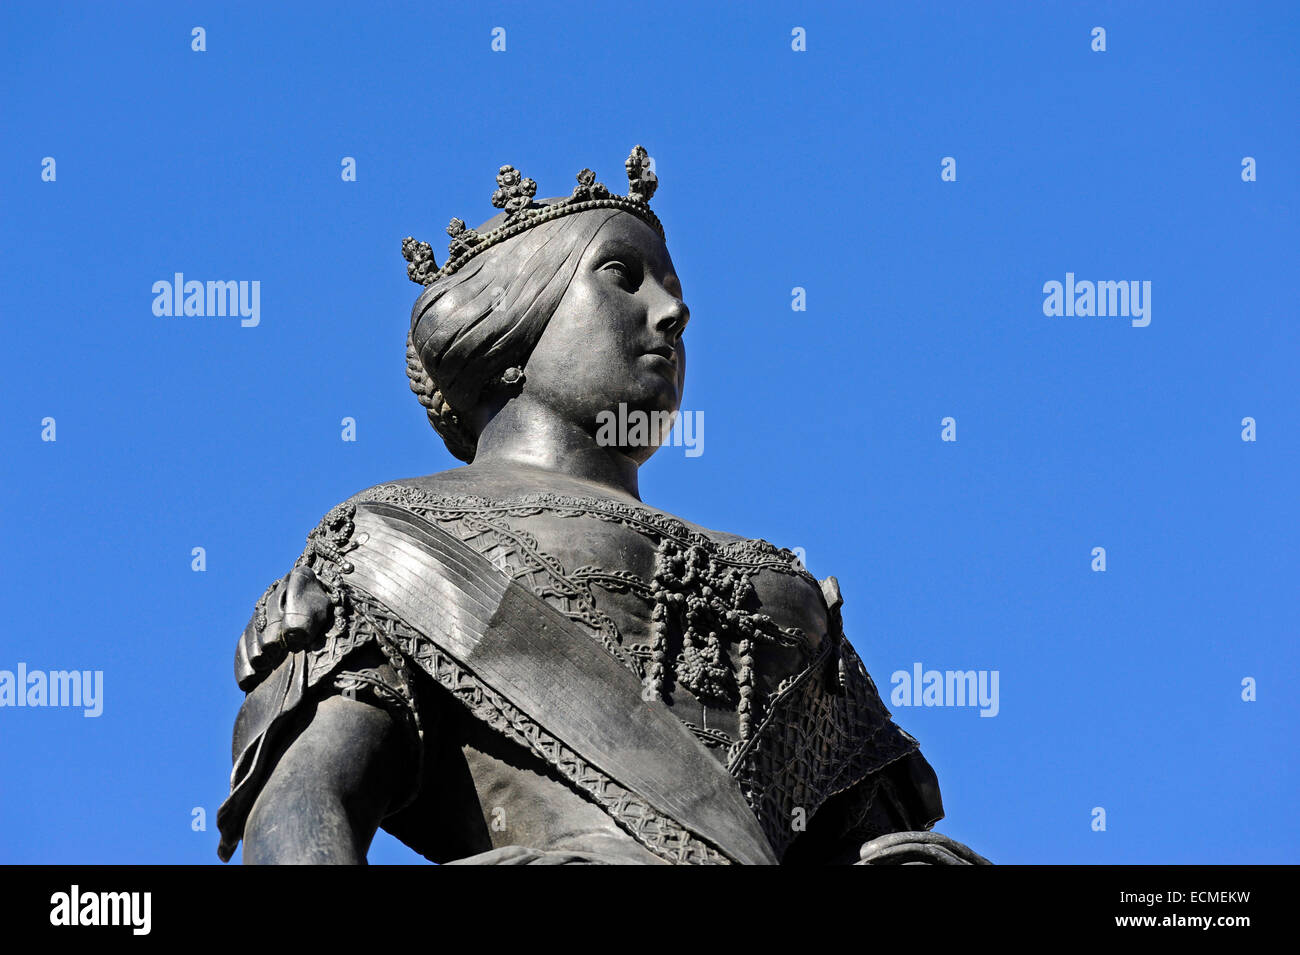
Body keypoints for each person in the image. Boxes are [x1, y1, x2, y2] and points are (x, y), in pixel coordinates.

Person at [216, 146, 989, 866]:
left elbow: (882, 838)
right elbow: (305, 807)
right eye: (624, 276)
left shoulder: (783, 586)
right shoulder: (393, 546)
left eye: (675, 292)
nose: (672, 313)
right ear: (510, 330)